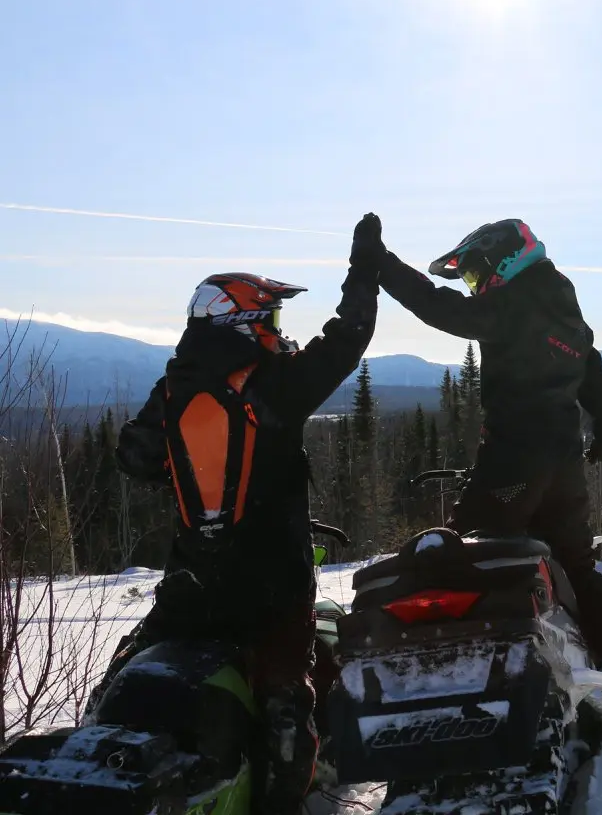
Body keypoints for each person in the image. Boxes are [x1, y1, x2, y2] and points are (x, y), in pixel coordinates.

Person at [92, 214, 384, 814]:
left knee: (130, 676)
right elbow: (350, 335)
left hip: (191, 580)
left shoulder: (175, 383)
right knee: (287, 699)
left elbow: (135, 454)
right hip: (271, 583)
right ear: (245, 321)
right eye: (271, 317)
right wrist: (365, 269)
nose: (278, 329)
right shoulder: (274, 383)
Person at [374, 218, 602, 680]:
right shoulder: (567, 317)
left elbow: (441, 307)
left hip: (513, 457)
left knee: (461, 553)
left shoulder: (514, 304)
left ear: (506, 259)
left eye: (476, 274)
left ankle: (459, 668)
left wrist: (384, 266)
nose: (476, 287)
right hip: (564, 466)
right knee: (577, 564)